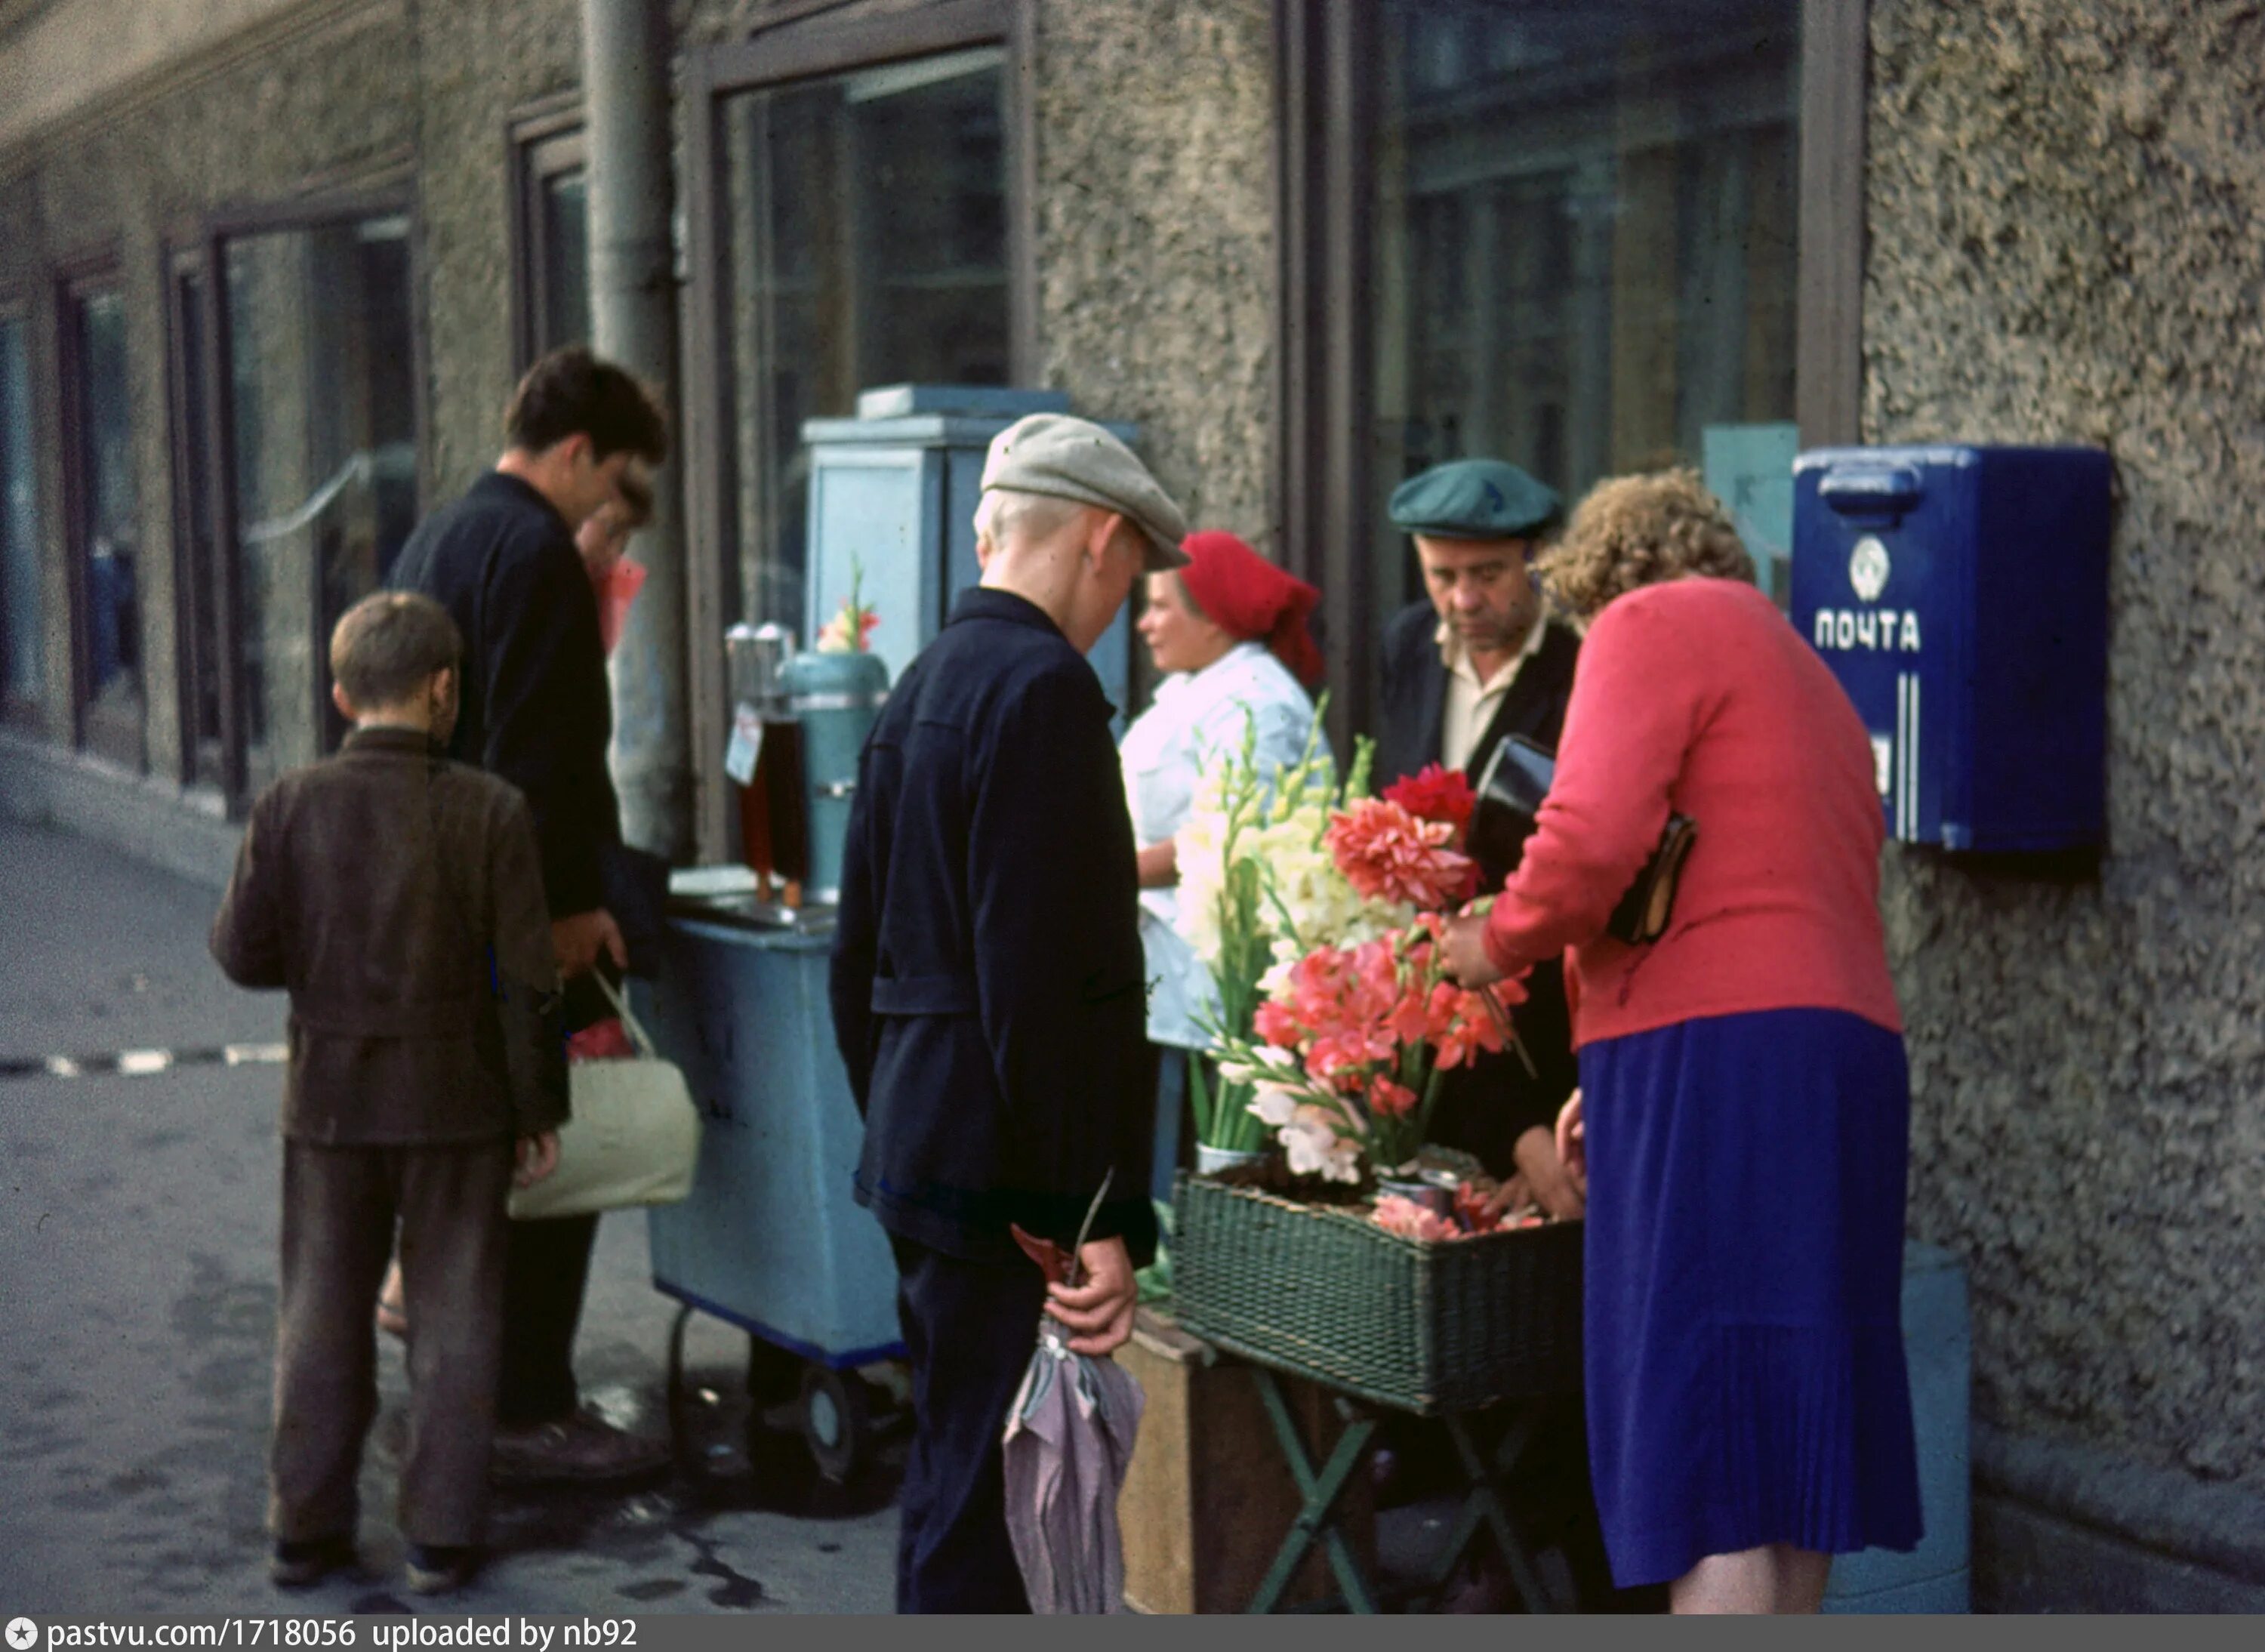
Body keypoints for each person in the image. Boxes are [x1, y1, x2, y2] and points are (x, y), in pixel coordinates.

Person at [1441, 467, 1923, 1614]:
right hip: (1836, 1060)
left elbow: (1595, 837)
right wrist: (1612, 1084)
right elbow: (1759, 881)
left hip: (1720, 1057)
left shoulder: (1646, 622)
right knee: (1788, 1441)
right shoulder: (1808, 677)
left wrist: (1490, 943)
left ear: (1602, 579)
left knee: (1709, 1439)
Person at [829, 412, 1185, 1613]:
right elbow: (1051, 986)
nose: (1123, 596)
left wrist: (898, 1115)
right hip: (1003, 1176)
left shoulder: (922, 684)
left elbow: (855, 957)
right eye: (1131, 561)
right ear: (1100, 538)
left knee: (955, 1476)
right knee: (990, 1510)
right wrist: (1083, 1208)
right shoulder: (1045, 692)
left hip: (925, 1145)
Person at [209, 591, 566, 1596]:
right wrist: (538, 1108)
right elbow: (530, 979)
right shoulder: (491, 810)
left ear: (339, 694)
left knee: (320, 1309)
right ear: (444, 690)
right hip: (460, 1101)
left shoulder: (288, 804)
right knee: (455, 1317)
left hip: (327, 1098)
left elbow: (240, 953)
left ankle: (305, 1526)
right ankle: (440, 1535)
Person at [387, 345, 670, 1484]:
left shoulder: (436, 537)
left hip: (430, 900)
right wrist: (565, 912)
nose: (614, 514)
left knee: (473, 1167)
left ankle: (463, 1403)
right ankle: (529, 1409)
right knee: (550, 1153)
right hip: (513, 917)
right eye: (613, 487)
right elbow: (547, 756)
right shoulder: (537, 553)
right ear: (575, 452)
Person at [1375, 457, 1583, 1210]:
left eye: (1489, 573)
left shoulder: (1585, 661)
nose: (1463, 598)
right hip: (1443, 1027)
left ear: (1539, 559)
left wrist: (1543, 1135)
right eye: (1441, 574)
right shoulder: (1406, 646)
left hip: (1552, 1031)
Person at [1121, 529, 1328, 1197]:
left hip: (1216, 981)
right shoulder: (1199, 685)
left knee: (1204, 1162)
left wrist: (1105, 871)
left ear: (1211, 613)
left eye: (1159, 606)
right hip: (1168, 972)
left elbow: (1229, 839)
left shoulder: (1254, 703)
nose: (1145, 624)